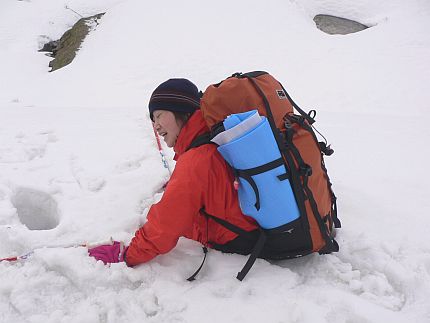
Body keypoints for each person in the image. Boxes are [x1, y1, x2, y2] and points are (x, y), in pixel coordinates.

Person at [88, 78, 258, 267]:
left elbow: (165, 227)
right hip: (252, 227)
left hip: (242, 239)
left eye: (159, 115)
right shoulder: (213, 141)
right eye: (153, 120)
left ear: (182, 111)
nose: (156, 125)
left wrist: (127, 254)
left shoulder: (196, 159)